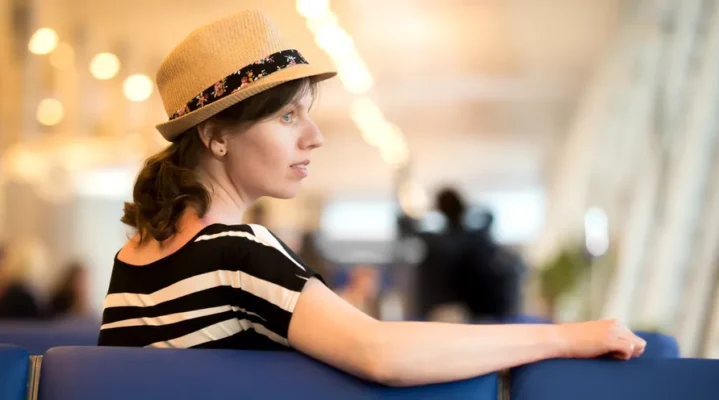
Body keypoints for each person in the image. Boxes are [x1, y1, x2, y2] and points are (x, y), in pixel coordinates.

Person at [98, 10, 646, 387]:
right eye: (288, 116)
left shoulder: (135, 259)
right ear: (215, 136)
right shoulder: (237, 252)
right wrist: (564, 337)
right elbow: (384, 356)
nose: (314, 136)